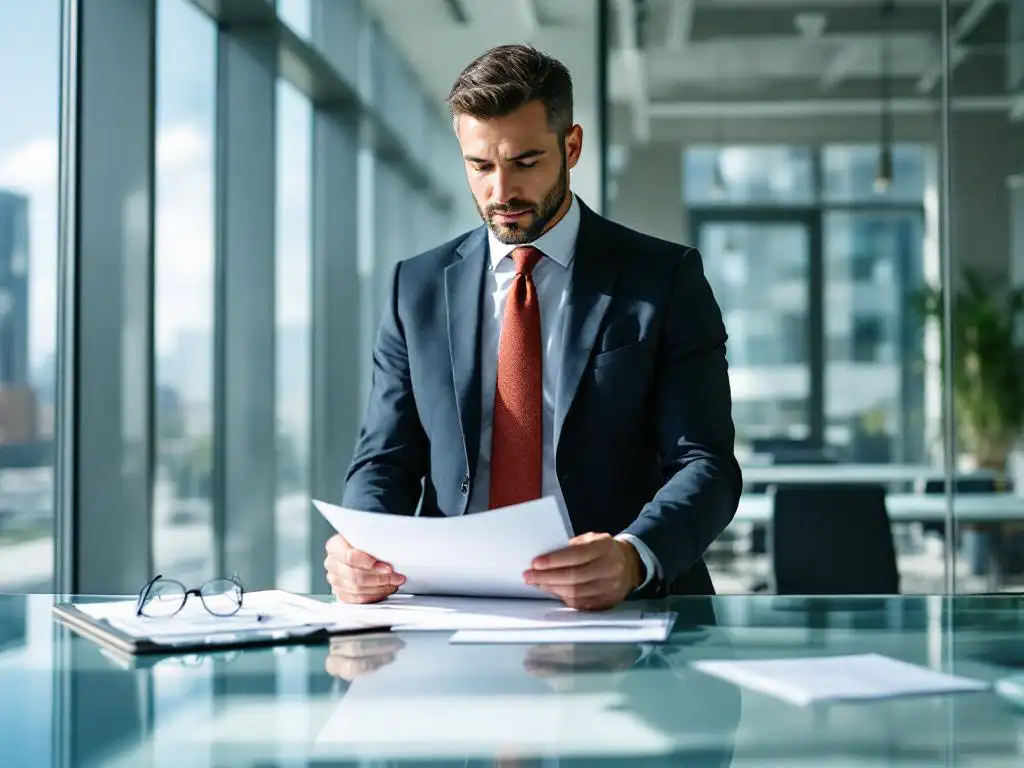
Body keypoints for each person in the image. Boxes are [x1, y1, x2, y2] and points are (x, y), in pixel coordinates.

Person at [324, 43, 742, 610]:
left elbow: (705, 463)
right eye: (480, 166)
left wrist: (633, 554)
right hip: (453, 611)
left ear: (571, 147)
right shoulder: (416, 288)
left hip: (621, 608)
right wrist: (363, 546)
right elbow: (384, 458)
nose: (501, 193)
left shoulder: (664, 279)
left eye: (525, 162)